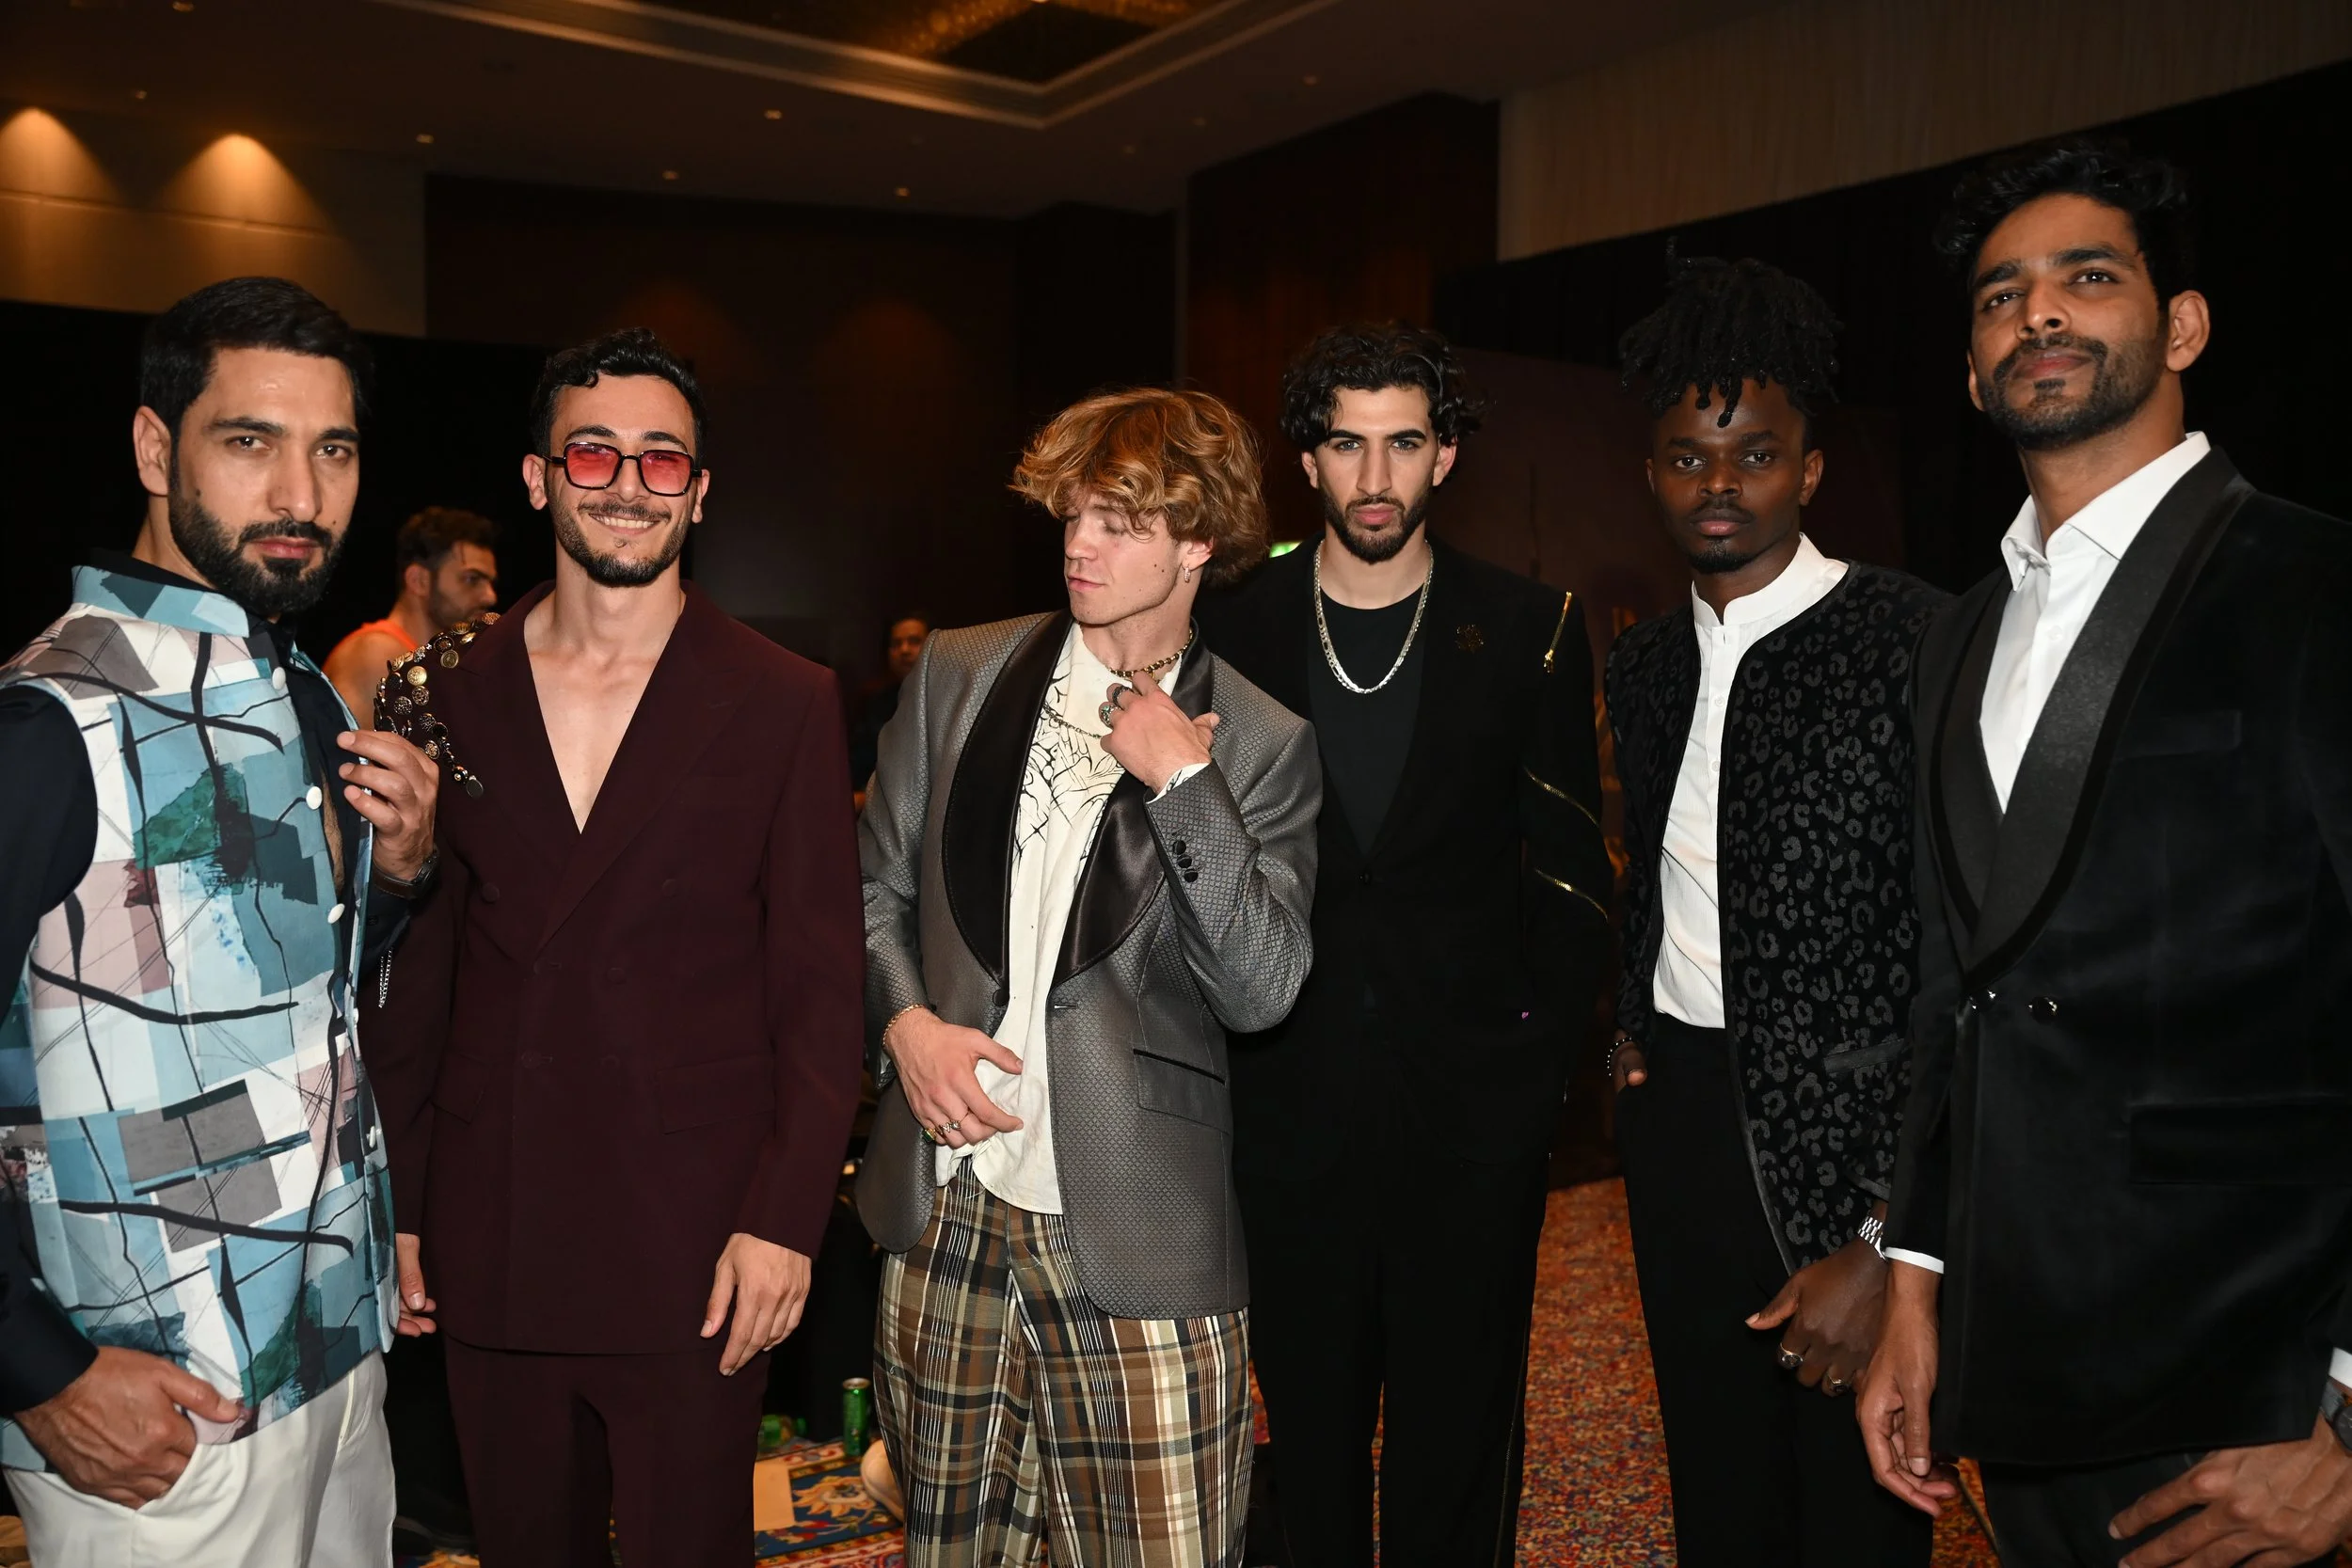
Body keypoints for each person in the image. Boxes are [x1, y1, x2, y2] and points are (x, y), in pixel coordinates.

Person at [1860, 139, 2352, 1567]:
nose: (2041, 315)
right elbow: (1960, 989)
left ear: (2181, 324)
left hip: (2258, 1385)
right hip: (2023, 1373)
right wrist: (1915, 1279)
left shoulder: (2318, 585)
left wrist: (2346, 1418)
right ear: (1970, 369)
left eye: (2088, 277)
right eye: (2002, 297)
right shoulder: (1956, 634)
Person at [364, 328, 864, 1568]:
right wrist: (404, 1193)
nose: (626, 481)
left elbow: (818, 983)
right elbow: (425, 964)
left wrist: (788, 1218)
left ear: (699, 489)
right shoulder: (442, 688)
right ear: (539, 477)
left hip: (697, 1239)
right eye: (594, 450)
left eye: (660, 457)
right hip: (498, 1216)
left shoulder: (785, 697)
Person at [0, 277, 440, 1566]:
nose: (300, 493)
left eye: (334, 448)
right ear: (156, 448)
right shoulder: (47, 722)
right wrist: (38, 1370)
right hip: (156, 1404)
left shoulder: (297, 689)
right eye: (250, 441)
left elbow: (293, 1004)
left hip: (334, 1362)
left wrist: (401, 873)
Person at [855, 387, 1320, 1566]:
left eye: (1118, 518)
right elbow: (867, 891)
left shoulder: (1261, 740)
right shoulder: (961, 671)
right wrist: (905, 1019)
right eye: (1073, 510)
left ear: (1197, 541)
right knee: (949, 1547)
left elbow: (1263, 987)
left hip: (1140, 1231)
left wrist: (1182, 786)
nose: (1079, 540)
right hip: (945, 1205)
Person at [1196, 324, 1612, 1566]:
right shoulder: (1235, 626)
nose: (1376, 478)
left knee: (1460, 1428)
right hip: (1282, 1105)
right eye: (1347, 445)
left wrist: (1536, 1084)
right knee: (1306, 1430)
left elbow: (1572, 878)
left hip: (1472, 1116)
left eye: (1405, 444)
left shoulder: (1531, 624)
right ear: (1308, 461)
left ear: (1446, 457)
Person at [1604, 255, 1943, 1567]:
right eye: (1689, 456)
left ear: (1809, 469)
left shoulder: (1912, 636)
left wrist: (1882, 1228)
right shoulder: (1641, 659)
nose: (1720, 483)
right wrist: (1630, 1035)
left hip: (1854, 1130)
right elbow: (1654, 876)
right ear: (1653, 474)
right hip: (1682, 1116)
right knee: (1719, 1486)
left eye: (1754, 453)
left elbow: (1952, 956)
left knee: (1860, 1492)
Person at [323, 507, 500, 722]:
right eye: (472, 579)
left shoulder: (434, 663)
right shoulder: (377, 653)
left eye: (490, 582)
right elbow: (348, 753)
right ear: (419, 581)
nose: (490, 596)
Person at [848, 613, 929, 807]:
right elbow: (858, 762)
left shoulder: (951, 700)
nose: (904, 650)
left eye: (914, 641)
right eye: (896, 644)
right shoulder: (877, 702)